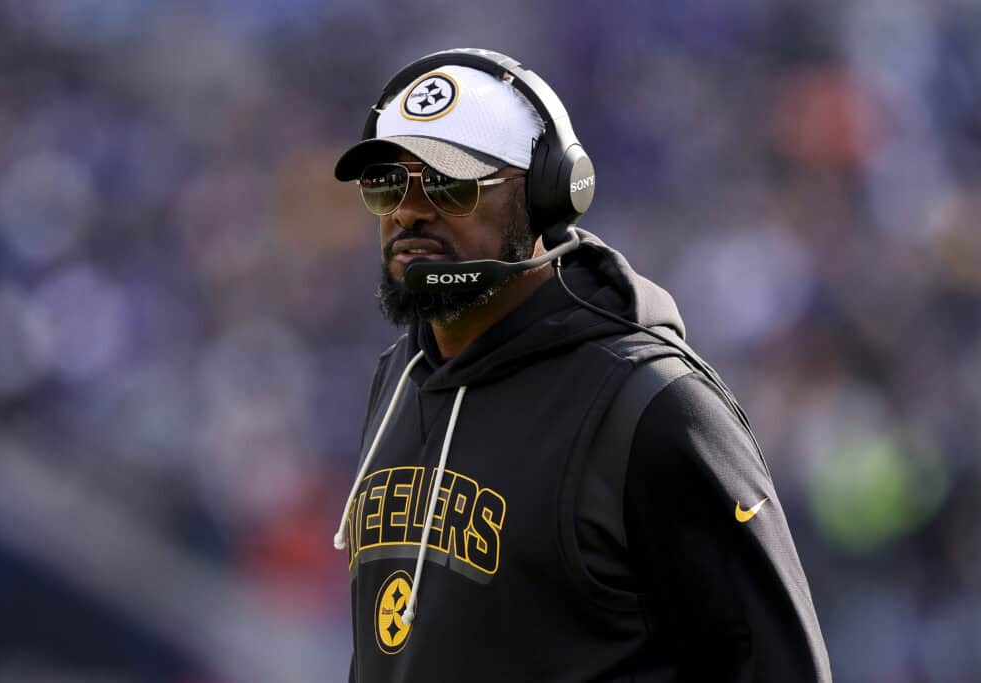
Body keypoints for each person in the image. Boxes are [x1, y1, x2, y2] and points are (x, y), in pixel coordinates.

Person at [331, 49, 831, 683]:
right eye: (385, 184)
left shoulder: (653, 406)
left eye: (447, 183)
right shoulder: (398, 379)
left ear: (545, 195)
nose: (408, 210)